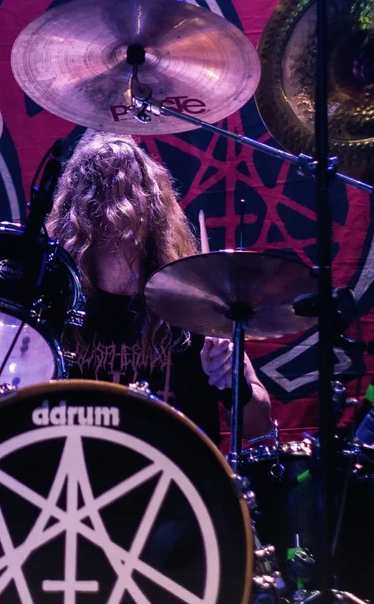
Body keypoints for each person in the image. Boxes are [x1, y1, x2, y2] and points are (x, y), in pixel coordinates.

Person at [47, 131, 272, 444]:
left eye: (129, 191)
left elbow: (260, 428)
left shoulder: (196, 301)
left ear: (153, 208)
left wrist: (234, 383)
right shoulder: (54, 304)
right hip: (78, 471)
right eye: (101, 192)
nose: (118, 210)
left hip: (178, 472)